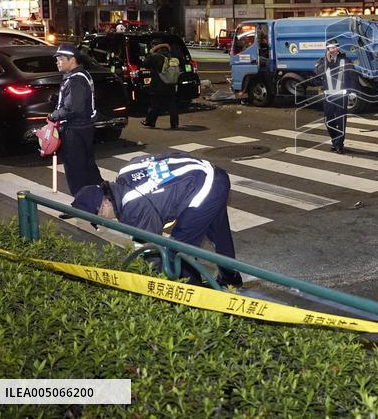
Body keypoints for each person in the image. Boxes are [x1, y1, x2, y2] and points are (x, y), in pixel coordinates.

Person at [72, 154, 243, 288]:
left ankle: (196, 300)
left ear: (104, 204)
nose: (103, 221)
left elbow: (152, 251)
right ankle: (230, 277)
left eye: (99, 218)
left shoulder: (134, 208)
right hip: (210, 173)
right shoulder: (124, 174)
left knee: (178, 251)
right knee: (218, 233)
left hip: (205, 187)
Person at [49, 44, 102, 196]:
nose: (57, 62)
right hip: (84, 128)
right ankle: (105, 196)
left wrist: (53, 116)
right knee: (88, 167)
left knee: (75, 169)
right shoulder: (82, 75)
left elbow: (73, 108)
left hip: (75, 130)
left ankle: (82, 205)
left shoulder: (75, 80)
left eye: (60, 59)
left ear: (71, 60)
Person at [313, 38, 355, 154]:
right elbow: (318, 72)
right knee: (329, 121)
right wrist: (327, 60)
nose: (334, 49)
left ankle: (339, 145)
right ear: (327, 49)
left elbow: (352, 75)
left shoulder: (345, 60)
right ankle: (335, 141)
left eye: (336, 47)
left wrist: (352, 91)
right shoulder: (323, 61)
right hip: (328, 97)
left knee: (341, 122)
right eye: (331, 48)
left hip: (341, 96)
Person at [141, 42, 179, 130]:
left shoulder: (155, 56)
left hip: (158, 85)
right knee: (172, 105)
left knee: (155, 105)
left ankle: (150, 121)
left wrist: (150, 52)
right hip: (170, 85)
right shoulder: (171, 56)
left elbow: (145, 63)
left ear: (156, 47)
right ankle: (175, 123)